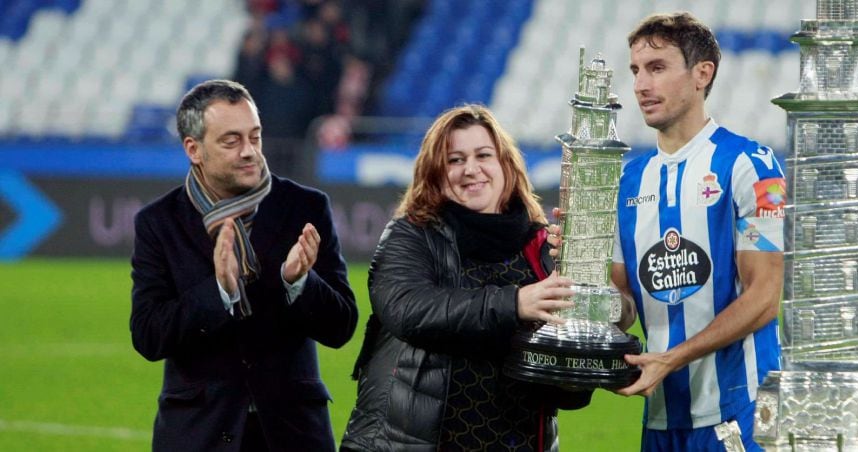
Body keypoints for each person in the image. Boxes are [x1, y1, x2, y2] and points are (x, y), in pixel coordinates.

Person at [339, 104, 592, 451]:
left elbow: (563, 389)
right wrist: (515, 303)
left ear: (506, 164)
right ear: (435, 173)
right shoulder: (410, 234)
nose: (470, 169)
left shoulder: (541, 245)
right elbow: (409, 310)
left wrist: (579, 361)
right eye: (455, 160)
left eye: (483, 155)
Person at [130, 79, 358, 451]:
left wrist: (300, 282)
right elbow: (149, 335)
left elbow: (342, 327)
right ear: (194, 149)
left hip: (292, 434)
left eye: (255, 136)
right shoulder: (159, 222)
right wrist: (219, 291)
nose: (250, 151)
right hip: (198, 434)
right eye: (231, 141)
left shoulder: (305, 207)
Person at [614, 12, 785, 451]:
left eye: (657, 68)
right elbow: (625, 305)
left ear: (701, 74)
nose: (640, 85)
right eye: (636, 70)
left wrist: (672, 358)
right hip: (660, 413)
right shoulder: (627, 182)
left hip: (742, 410)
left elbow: (764, 297)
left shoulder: (755, 167)